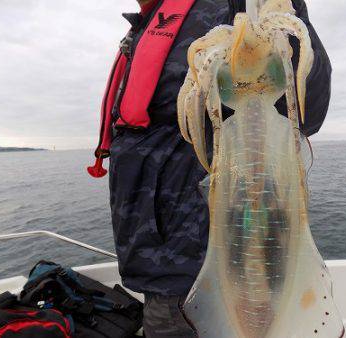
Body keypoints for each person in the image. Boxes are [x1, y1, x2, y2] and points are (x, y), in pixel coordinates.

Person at [89, 0, 331, 336]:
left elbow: (308, 110)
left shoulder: (227, 6)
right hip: (152, 259)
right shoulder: (147, 25)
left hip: (195, 258)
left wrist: (290, 13)